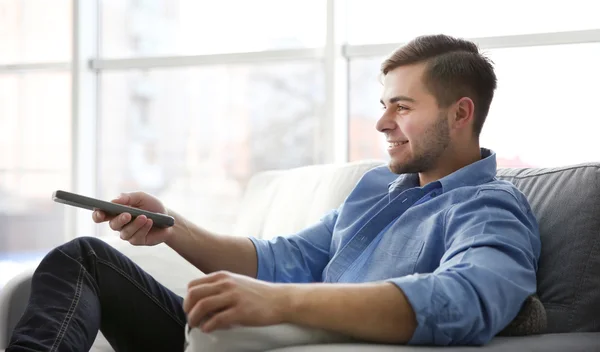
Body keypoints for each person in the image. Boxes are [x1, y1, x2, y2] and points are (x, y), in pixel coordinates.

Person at [7, 34, 541, 351]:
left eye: (401, 107)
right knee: (84, 259)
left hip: (296, 339)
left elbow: (465, 301)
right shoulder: (379, 189)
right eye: (383, 105)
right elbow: (280, 258)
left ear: (461, 112)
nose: (382, 123)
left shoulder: (488, 205)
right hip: (250, 337)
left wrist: (280, 302)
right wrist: (172, 225)